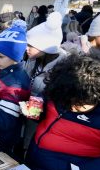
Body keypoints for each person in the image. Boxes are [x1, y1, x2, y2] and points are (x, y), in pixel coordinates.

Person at [22, 12, 67, 152]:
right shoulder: (33, 60)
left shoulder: (63, 68)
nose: (26, 48)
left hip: (42, 120)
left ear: (46, 46)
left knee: (30, 148)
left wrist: (33, 109)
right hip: (27, 113)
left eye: (31, 45)